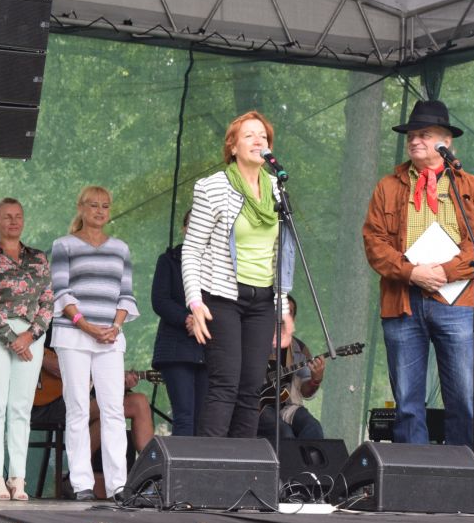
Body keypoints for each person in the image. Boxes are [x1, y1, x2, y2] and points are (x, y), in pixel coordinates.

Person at [362, 100, 474, 448]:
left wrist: (446, 272)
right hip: (402, 301)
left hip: (455, 300)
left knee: (464, 398)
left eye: (423, 134)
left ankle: (461, 470)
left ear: (446, 143)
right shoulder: (388, 186)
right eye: (411, 135)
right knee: (407, 402)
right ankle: (413, 471)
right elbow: (374, 242)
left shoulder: (471, 186)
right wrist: (411, 273)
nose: (414, 140)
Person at [182, 110, 295, 439]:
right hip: (223, 297)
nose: (258, 140)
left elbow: (281, 255)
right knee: (225, 385)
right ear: (232, 147)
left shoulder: (276, 190)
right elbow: (191, 249)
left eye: (263, 136)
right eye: (249, 135)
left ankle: (242, 466)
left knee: (251, 389)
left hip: (262, 301)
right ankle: (208, 466)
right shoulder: (212, 188)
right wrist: (195, 302)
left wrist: (283, 308)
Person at [50, 186, 138, 501]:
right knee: (77, 407)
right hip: (74, 335)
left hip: (110, 338)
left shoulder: (120, 248)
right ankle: (82, 484)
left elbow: (126, 294)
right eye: (93, 205)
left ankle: (118, 485)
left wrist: (115, 326)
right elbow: (61, 291)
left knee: (113, 409)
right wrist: (86, 326)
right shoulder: (63, 245)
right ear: (81, 208)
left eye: (105, 206)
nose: (100, 211)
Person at [0, 198, 52, 501]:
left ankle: (18, 477)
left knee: (21, 407)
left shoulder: (38, 258)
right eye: (7, 217)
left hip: (30, 335)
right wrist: (11, 338)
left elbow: (48, 301)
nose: (14, 221)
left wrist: (29, 336)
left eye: (18, 216)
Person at [32, 332, 154, 499]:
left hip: (82, 397)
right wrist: (43, 359)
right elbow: (22, 340)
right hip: (45, 401)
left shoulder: (107, 337)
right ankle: (77, 478)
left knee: (137, 402)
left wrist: (119, 381)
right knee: (108, 408)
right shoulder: (55, 324)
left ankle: (152, 476)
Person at [151, 210, 207, 436]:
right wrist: (188, 319)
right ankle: (183, 461)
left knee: (204, 420)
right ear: (184, 229)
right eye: (193, 224)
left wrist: (204, 322)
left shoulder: (219, 265)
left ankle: (202, 460)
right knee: (184, 416)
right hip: (176, 348)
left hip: (209, 350)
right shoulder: (169, 260)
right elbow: (160, 300)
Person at [257, 295, 324, 441]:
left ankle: (307, 457)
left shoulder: (300, 349)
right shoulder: (255, 340)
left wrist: (315, 381)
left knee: (313, 428)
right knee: (284, 433)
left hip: (287, 406)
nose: (283, 317)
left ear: (293, 319)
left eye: (289, 312)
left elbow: (305, 392)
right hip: (258, 406)